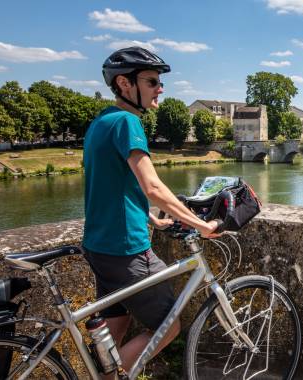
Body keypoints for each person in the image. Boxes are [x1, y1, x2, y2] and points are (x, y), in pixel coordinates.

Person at [82, 46, 219, 376]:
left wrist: (152, 218)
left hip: (98, 246)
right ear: (125, 84)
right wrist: (200, 224)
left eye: (160, 82)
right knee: (168, 325)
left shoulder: (101, 122)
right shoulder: (128, 122)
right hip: (126, 249)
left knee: (117, 318)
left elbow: (111, 185)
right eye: (152, 81)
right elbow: (153, 187)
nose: (161, 88)